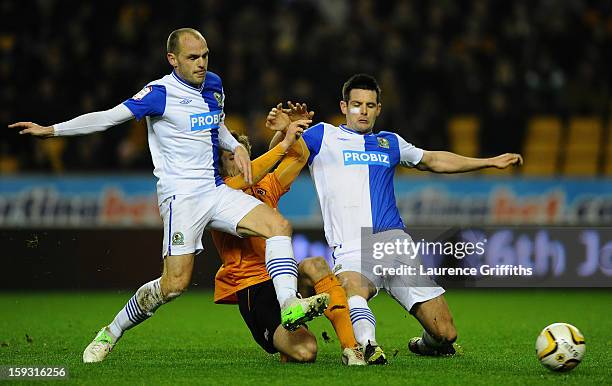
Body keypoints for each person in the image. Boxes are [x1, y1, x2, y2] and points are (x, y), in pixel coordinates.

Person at [9, 28, 328, 363]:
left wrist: (235, 146)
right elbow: (108, 118)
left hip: (215, 190)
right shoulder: (159, 93)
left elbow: (214, 125)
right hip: (182, 199)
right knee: (174, 284)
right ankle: (111, 332)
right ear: (172, 59)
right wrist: (53, 130)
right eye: (193, 57)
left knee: (278, 226)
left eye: (205, 55)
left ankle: (290, 305)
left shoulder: (214, 85)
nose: (201, 63)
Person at [291, 74, 523, 364]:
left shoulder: (390, 142)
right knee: (353, 287)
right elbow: (285, 149)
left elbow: (433, 160)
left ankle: (424, 344)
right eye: (356, 104)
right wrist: (282, 132)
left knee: (446, 334)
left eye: (370, 105)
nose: (363, 111)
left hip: (395, 246)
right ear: (343, 106)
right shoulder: (323, 136)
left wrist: (488, 161)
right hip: (352, 245)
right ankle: (368, 345)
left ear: (378, 109)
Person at [212, 104, 365, 365]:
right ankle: (289, 335)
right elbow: (248, 178)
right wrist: (282, 143)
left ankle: (353, 349)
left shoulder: (265, 188)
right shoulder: (218, 193)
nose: (240, 163)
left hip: (283, 277)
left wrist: (289, 130)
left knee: (316, 264)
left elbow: (299, 158)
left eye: (243, 156)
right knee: (307, 352)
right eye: (231, 157)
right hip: (254, 290)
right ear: (219, 164)